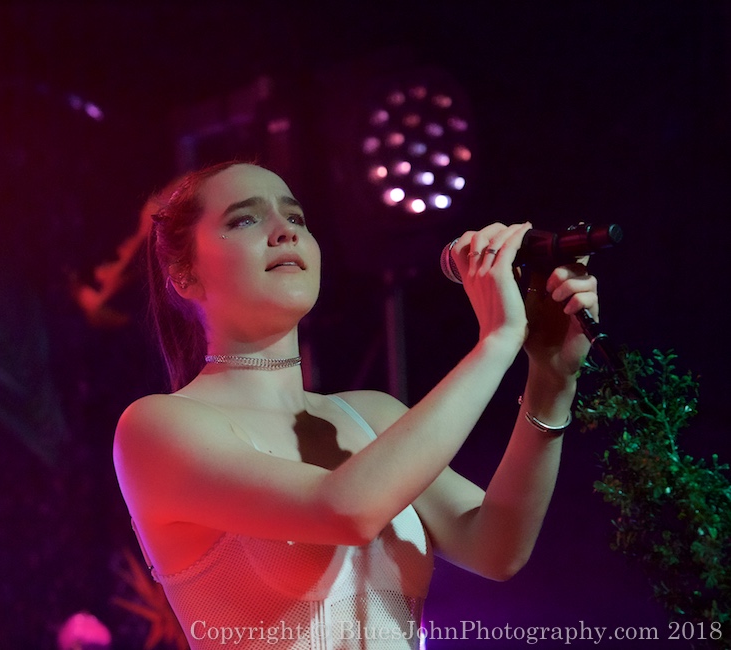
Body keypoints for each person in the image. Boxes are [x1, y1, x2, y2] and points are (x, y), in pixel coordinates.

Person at [112, 161, 599, 649]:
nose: (285, 231)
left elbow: (496, 547)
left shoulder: (372, 414)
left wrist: (552, 379)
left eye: (297, 218)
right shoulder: (156, 428)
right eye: (245, 219)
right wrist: (496, 342)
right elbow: (346, 510)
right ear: (184, 274)